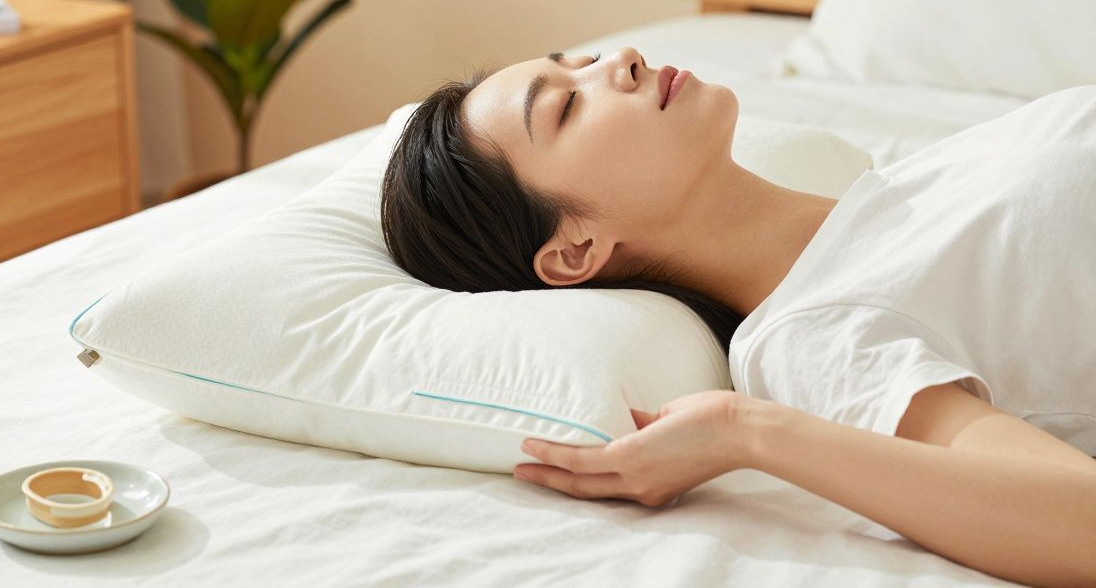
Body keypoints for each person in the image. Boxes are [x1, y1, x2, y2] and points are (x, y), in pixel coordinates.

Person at [378, 47, 1096, 588]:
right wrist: (742, 431)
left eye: (584, 62)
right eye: (566, 107)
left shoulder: (908, 186)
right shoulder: (813, 333)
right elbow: (1079, 522)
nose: (620, 62)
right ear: (574, 252)